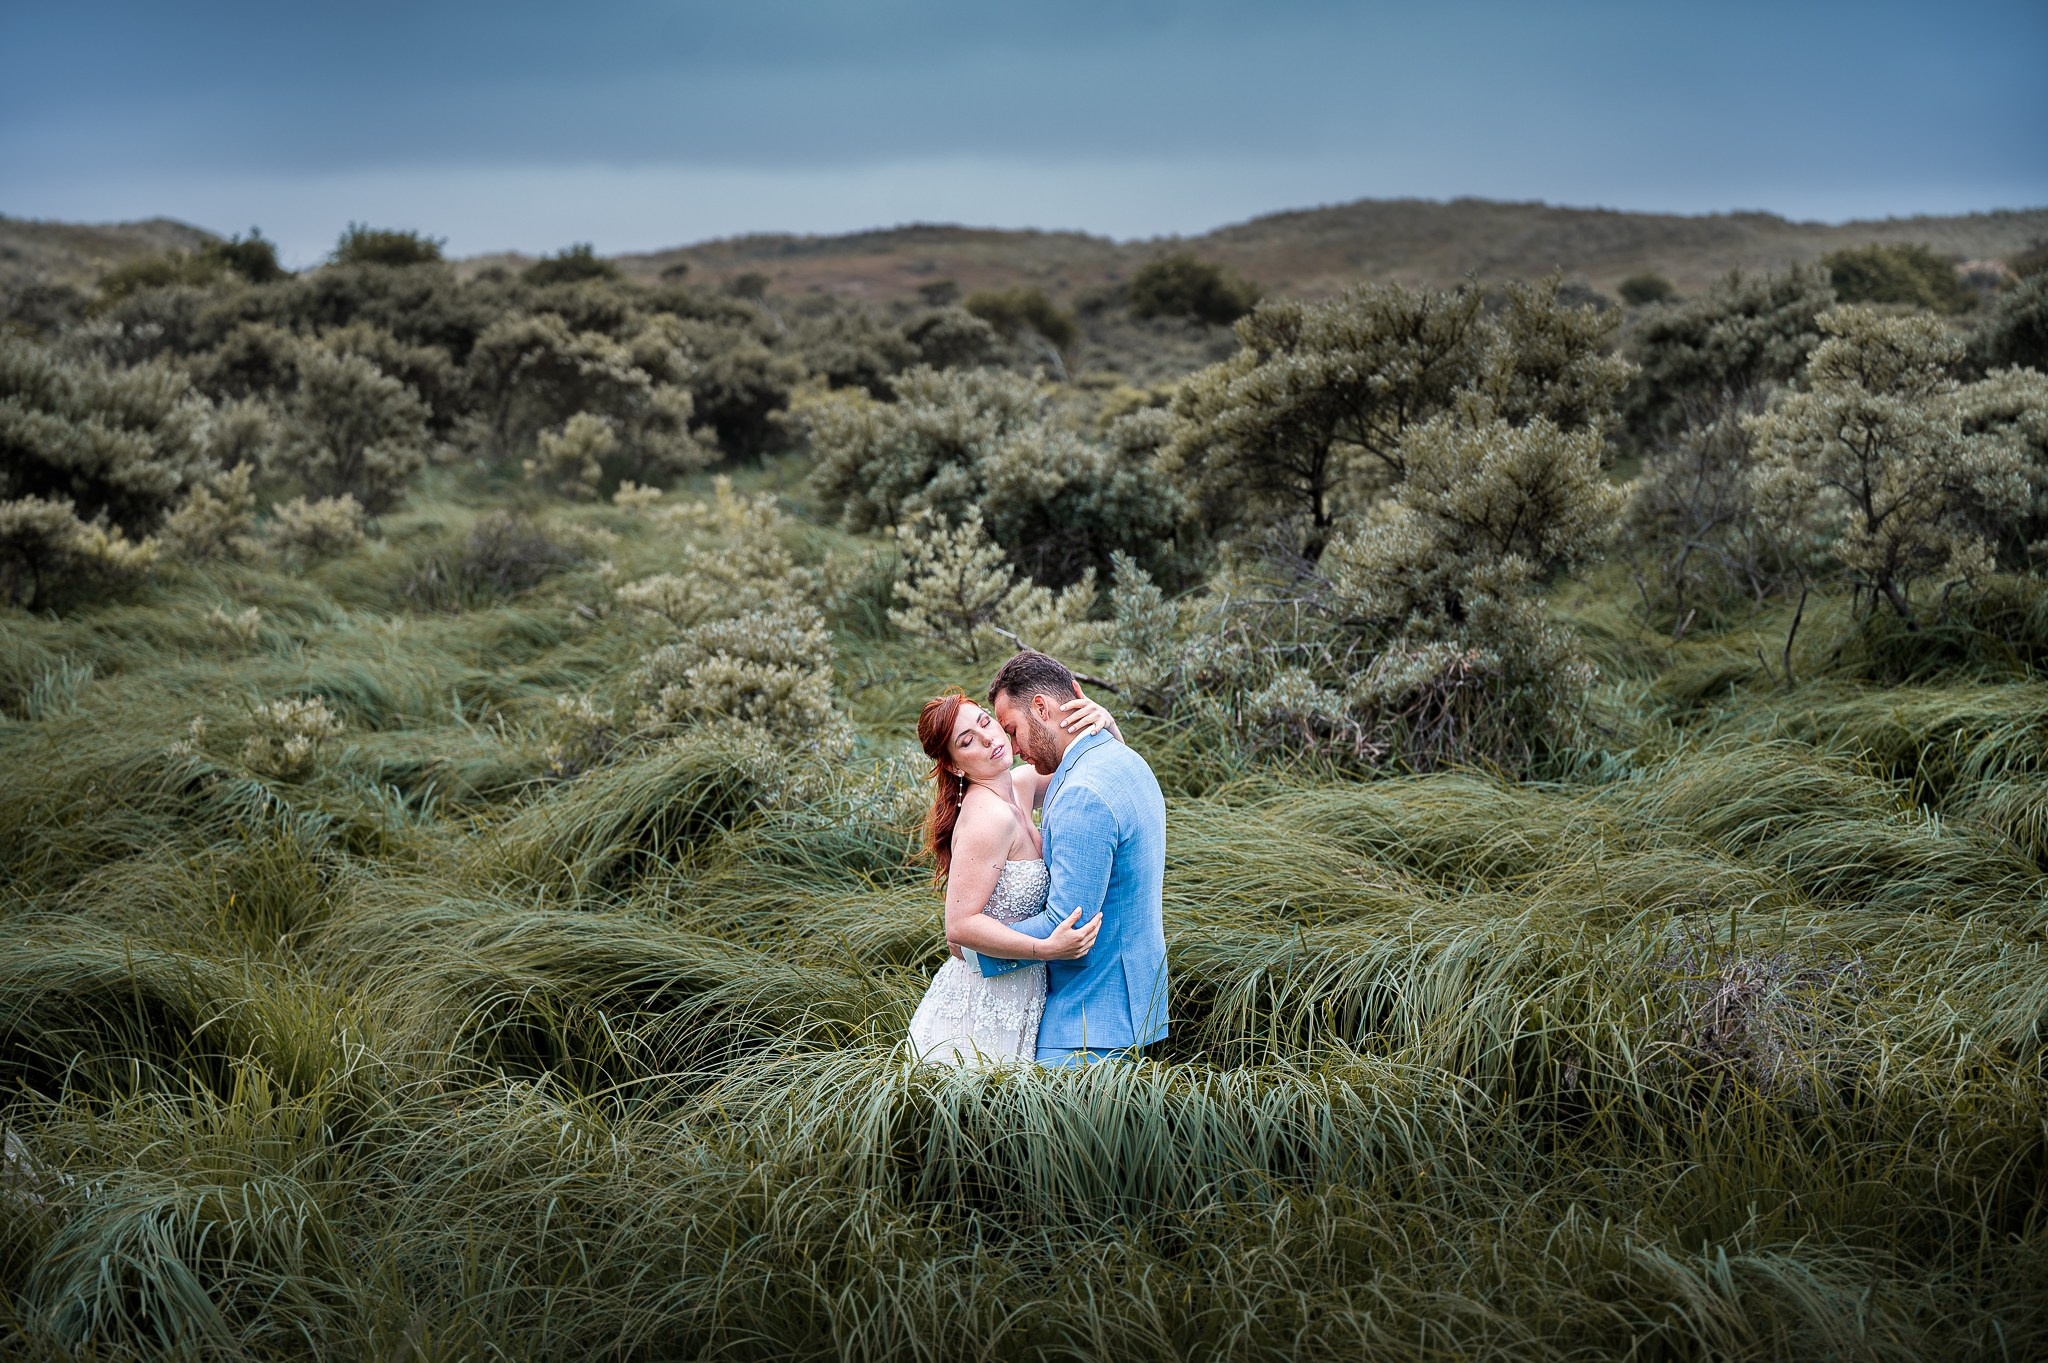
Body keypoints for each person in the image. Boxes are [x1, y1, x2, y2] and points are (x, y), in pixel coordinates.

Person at [904, 682, 1118, 1066]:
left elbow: (1095, 773)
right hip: (984, 1000)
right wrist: (1045, 949)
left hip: (1022, 990)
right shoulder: (989, 818)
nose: (988, 739)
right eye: (967, 741)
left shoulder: (1019, 785)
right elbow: (959, 927)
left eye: (985, 722)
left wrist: (1106, 725)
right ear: (954, 765)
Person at [977, 649, 1168, 1067]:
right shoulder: (1124, 758)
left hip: (1086, 1024)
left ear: (1042, 708)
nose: (1013, 746)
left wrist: (972, 950)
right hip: (1131, 1005)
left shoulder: (1082, 794)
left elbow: (1067, 926)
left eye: (1013, 730)